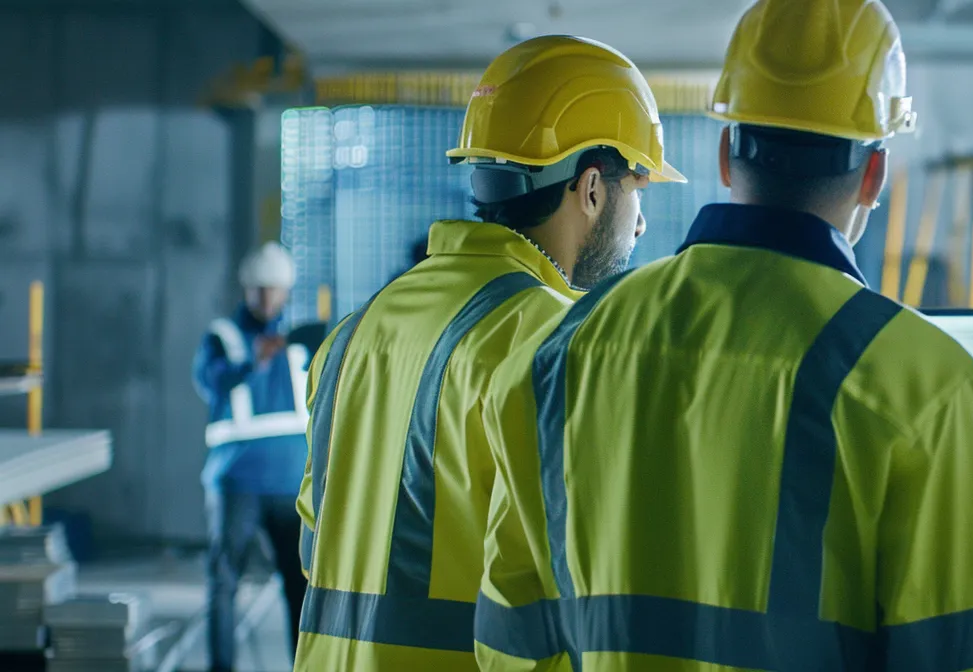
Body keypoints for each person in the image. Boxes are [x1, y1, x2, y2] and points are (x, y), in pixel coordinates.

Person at [472, 1, 973, 669]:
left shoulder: (562, 348)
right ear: (873, 176)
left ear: (726, 154)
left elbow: (509, 638)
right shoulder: (926, 388)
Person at [294, 35, 681, 671]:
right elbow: (541, 609)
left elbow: (316, 547)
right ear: (591, 188)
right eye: (638, 188)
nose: (640, 223)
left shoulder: (355, 331)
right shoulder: (556, 343)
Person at [192, 241, 310, 672]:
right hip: (237, 482)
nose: (267, 297)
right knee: (224, 582)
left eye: (275, 289)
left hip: (290, 486)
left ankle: (305, 665)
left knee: (300, 586)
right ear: (247, 288)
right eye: (260, 289)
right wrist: (251, 364)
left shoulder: (299, 344)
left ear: (286, 291)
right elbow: (210, 382)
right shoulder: (224, 339)